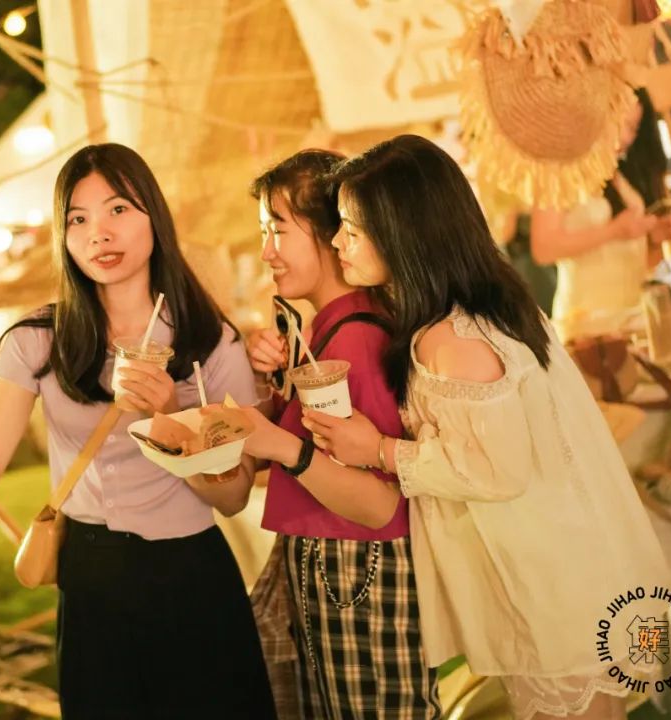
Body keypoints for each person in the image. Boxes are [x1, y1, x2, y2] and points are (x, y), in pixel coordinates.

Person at [299, 136, 671, 720]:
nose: (338, 241)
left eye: (352, 228)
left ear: (406, 231)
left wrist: (380, 449)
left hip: (539, 574)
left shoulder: (451, 339)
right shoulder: (488, 304)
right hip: (567, 557)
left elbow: (497, 472)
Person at [0, 143, 276, 719]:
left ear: (153, 217)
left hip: (190, 572)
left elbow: (234, 496)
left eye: (117, 210)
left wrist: (169, 421)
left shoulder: (211, 341)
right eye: (78, 220)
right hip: (91, 576)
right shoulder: (37, 340)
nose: (99, 235)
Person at [242, 149, 440, 719]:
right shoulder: (329, 328)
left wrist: (277, 442)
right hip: (341, 570)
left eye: (278, 229)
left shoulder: (356, 338)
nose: (267, 251)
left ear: (333, 234)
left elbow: (381, 505)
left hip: (358, 574)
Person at [532, 89, 671, 341]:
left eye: (633, 128)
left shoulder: (618, 175)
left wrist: (652, 236)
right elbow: (543, 248)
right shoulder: (558, 172)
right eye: (621, 124)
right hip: (587, 327)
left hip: (632, 317)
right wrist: (614, 231)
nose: (626, 137)